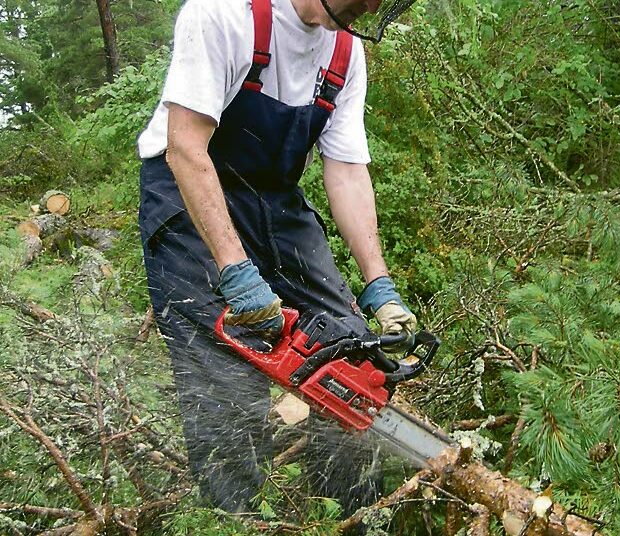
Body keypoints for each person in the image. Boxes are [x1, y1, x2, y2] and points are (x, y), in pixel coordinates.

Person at [137, 0, 417, 515]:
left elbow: (348, 170)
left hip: (274, 198)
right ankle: (235, 520)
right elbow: (184, 147)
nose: (370, 8)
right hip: (186, 190)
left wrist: (380, 285)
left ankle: (342, 515)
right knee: (227, 375)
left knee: (351, 349)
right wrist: (236, 273)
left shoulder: (345, 51)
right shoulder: (224, 15)